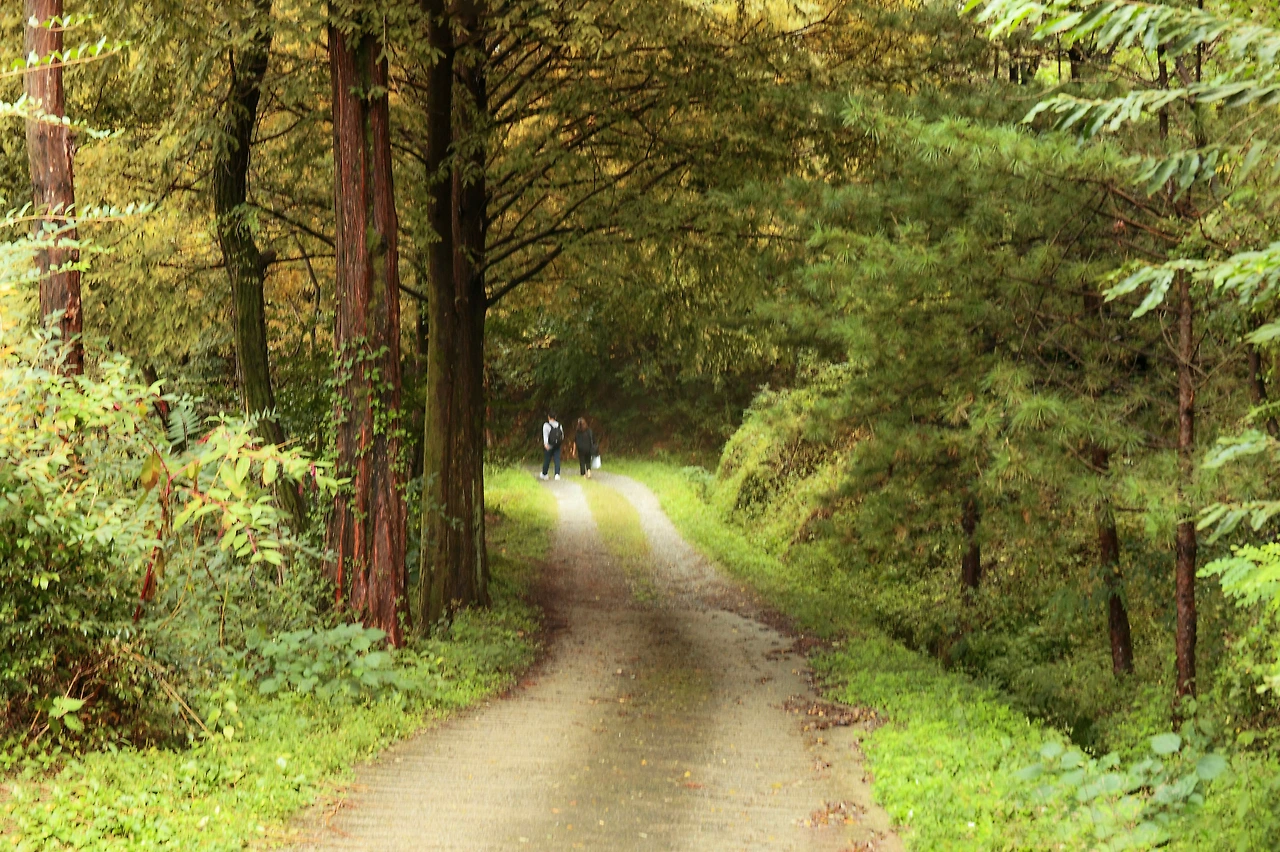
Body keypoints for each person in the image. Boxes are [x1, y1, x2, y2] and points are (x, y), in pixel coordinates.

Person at [540, 411, 563, 480]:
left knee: (547, 459)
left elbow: (545, 435)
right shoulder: (559, 425)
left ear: (548, 417)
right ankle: (557, 474)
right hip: (557, 445)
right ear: (555, 417)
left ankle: (544, 474)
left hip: (549, 445)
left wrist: (545, 444)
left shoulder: (546, 425)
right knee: (557, 459)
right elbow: (562, 436)